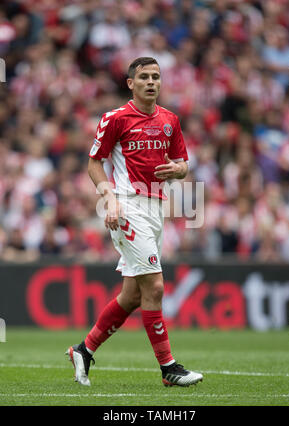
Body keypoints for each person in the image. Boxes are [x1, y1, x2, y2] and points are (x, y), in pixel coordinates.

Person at [66, 57, 203, 387]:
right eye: (144, 77)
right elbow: (94, 164)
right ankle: (169, 368)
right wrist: (109, 198)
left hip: (156, 208)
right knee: (154, 287)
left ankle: (83, 350)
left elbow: (182, 162)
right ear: (131, 83)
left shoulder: (170, 120)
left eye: (156, 76)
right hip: (127, 206)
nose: (151, 82)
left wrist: (180, 170)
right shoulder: (115, 118)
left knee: (131, 295)